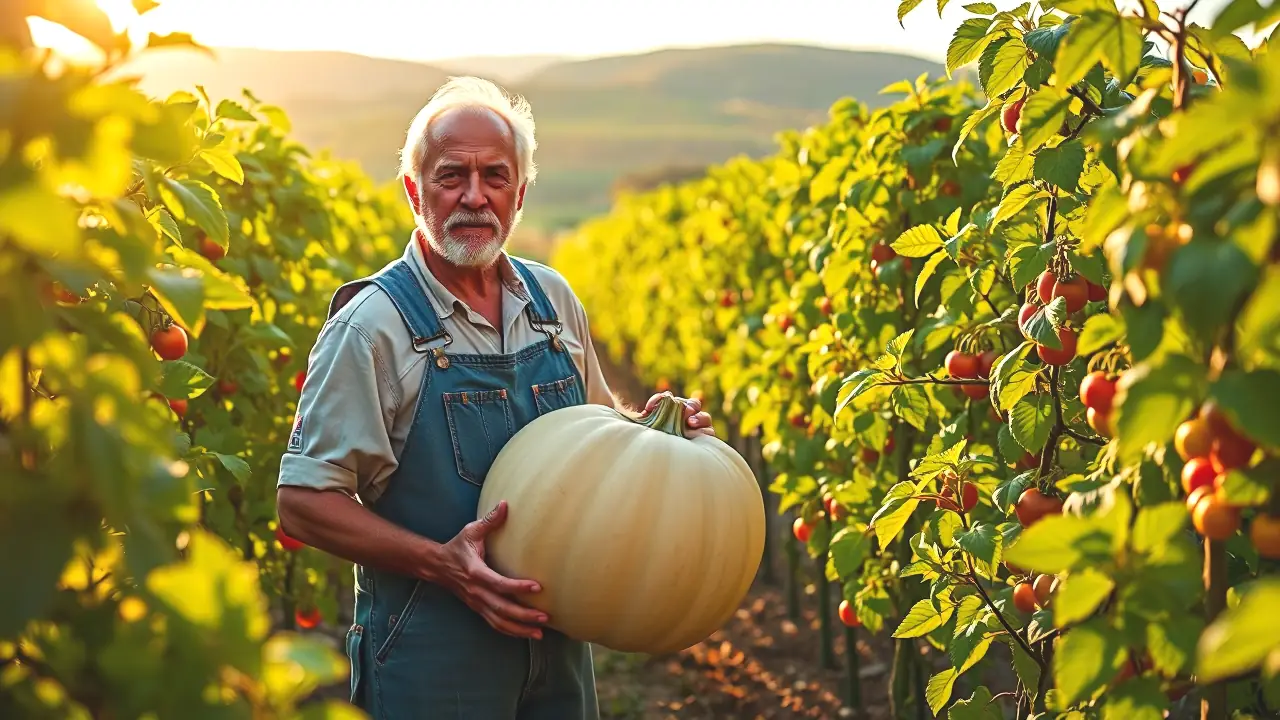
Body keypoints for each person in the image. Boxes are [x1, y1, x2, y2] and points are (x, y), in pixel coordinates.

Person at [275, 76, 715, 719]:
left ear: (521, 194)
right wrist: (443, 564)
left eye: (496, 177)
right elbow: (303, 503)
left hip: (558, 641)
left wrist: (652, 430)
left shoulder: (551, 301)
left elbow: (600, 430)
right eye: (451, 176)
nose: (475, 197)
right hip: (432, 651)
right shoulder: (370, 328)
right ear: (413, 191)